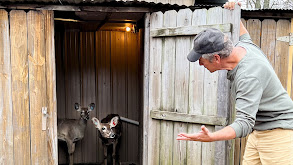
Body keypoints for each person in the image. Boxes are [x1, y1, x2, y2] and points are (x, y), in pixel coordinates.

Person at [177, 2, 293, 164]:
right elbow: (244, 34)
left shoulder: (248, 75)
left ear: (216, 58)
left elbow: (244, 123)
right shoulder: (243, 46)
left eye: (201, 59)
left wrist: (212, 137)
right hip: (260, 130)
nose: (200, 64)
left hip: (278, 133)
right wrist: (233, 7)